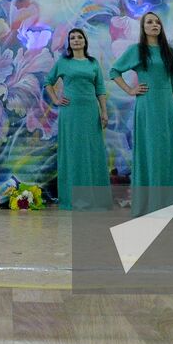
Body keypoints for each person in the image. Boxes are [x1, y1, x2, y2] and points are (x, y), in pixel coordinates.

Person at [110, 11, 173, 217]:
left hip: (167, 106)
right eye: (149, 22)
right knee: (151, 152)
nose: (154, 25)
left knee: (169, 152)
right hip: (147, 105)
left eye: (157, 22)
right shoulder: (137, 50)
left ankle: (170, 204)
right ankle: (151, 205)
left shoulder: (168, 52)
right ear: (143, 28)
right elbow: (114, 72)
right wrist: (130, 90)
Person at [45, 28, 113, 210]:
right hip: (70, 113)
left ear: (85, 41)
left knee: (92, 152)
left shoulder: (93, 63)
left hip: (91, 112)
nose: (76, 40)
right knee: (73, 152)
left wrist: (104, 112)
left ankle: (95, 198)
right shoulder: (63, 62)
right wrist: (55, 99)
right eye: (72, 38)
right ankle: (71, 198)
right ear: (69, 43)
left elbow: (100, 89)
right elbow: (47, 82)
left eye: (79, 37)